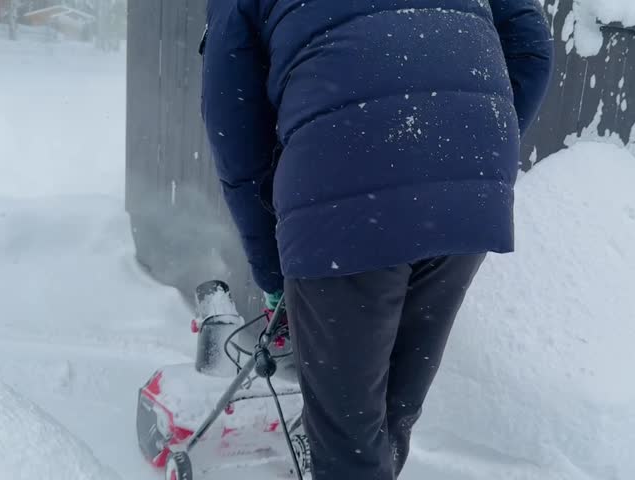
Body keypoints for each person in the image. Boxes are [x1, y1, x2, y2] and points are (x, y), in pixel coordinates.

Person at [201, 1, 553, 478]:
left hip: (345, 181)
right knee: (392, 409)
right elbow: (530, 41)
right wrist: (470, 150)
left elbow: (234, 129)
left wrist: (272, 274)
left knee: (350, 444)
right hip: (469, 176)